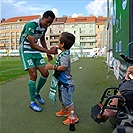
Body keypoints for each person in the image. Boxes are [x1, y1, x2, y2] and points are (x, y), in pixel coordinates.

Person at [19, 10, 58, 112]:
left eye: (50, 23)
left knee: (45, 73)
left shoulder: (44, 27)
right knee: (33, 75)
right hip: (26, 50)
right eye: (47, 21)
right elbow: (32, 44)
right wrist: (48, 50)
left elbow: (42, 40)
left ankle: (36, 93)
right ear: (43, 18)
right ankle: (32, 102)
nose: (48, 25)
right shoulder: (32, 24)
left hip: (35, 51)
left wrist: (48, 53)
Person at [45, 32, 79, 125]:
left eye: (59, 40)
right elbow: (59, 60)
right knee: (62, 99)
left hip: (66, 84)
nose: (57, 42)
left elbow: (63, 67)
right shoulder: (63, 54)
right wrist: (55, 53)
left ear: (62, 44)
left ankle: (73, 116)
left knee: (68, 101)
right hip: (62, 83)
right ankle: (64, 111)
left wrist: (52, 67)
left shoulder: (65, 56)